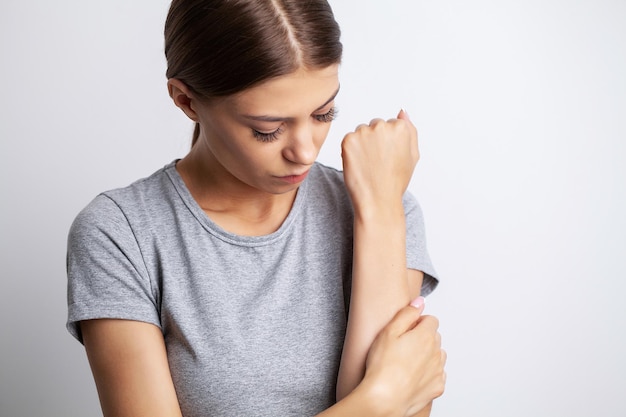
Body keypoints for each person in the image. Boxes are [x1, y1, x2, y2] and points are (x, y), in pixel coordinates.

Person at [66, 1, 446, 416]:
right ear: (186, 100)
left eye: (324, 113)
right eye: (268, 130)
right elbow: (393, 403)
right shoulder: (122, 233)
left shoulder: (384, 206)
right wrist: (379, 400)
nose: (304, 151)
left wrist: (379, 212)